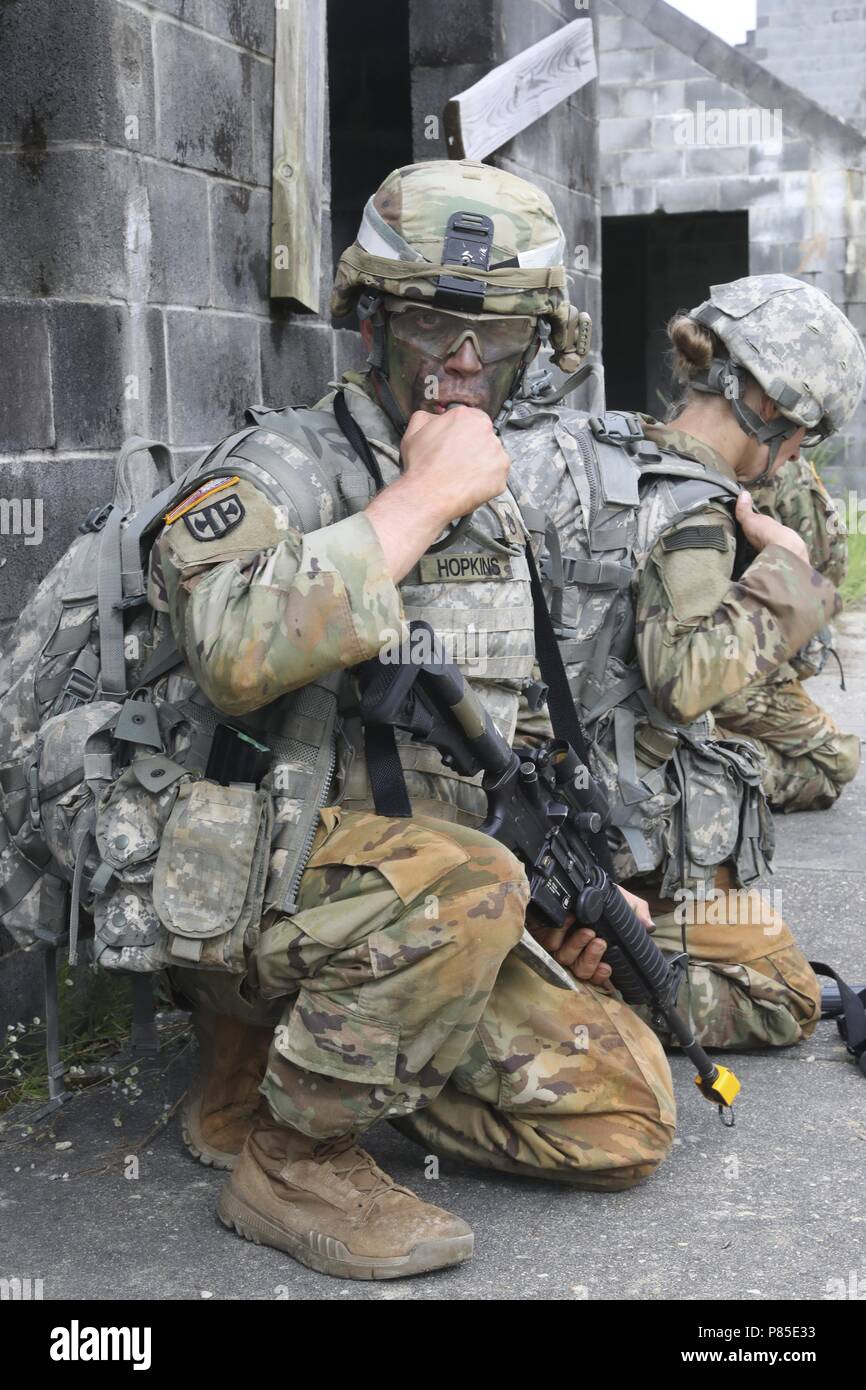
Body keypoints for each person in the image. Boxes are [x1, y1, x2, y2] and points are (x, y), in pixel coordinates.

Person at [151, 160, 676, 1282]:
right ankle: (292, 1151)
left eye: (496, 335)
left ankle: (303, 1064)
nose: (460, 365)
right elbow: (235, 650)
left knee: (621, 1111)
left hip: (414, 900)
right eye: (432, 322)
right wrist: (419, 497)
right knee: (467, 881)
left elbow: (507, 730)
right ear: (368, 322)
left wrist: (568, 883)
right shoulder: (283, 465)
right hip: (256, 870)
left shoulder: (495, 492)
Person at [509, 274, 866, 1052]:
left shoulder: (593, 443)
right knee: (784, 996)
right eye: (806, 437)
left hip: (516, 806)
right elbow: (685, 681)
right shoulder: (695, 503)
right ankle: (579, 993)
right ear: (771, 407)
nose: (795, 458)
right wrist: (792, 575)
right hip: (599, 836)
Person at [712, 453, 860, 812]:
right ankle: (692, 760)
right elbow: (824, 568)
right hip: (734, 659)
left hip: (716, 650)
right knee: (836, 764)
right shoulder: (767, 464)